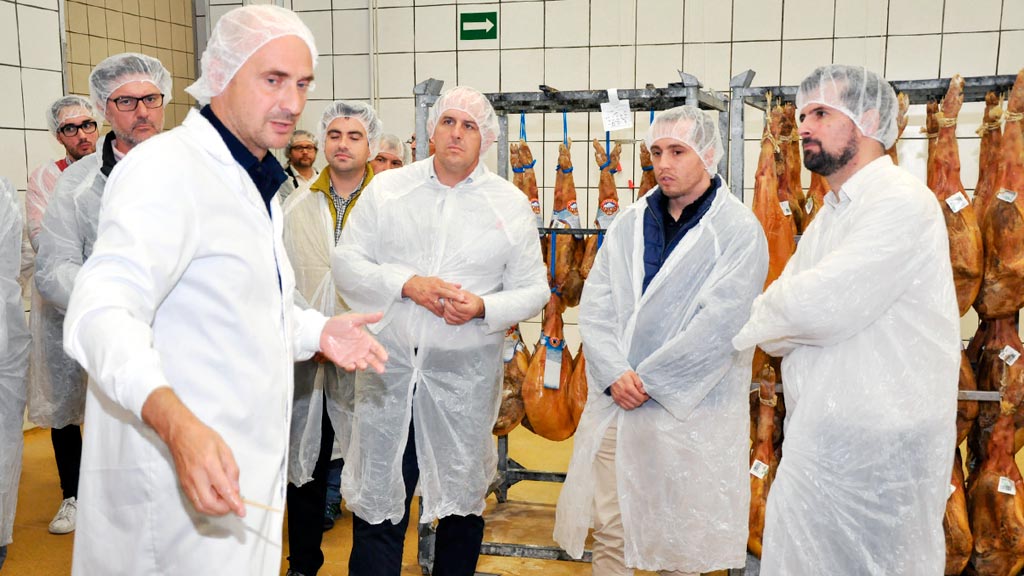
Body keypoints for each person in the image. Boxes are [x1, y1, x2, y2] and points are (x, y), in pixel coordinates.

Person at [60, 6, 388, 574]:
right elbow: (100, 310)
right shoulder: (168, 169)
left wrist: (318, 330)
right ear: (222, 76)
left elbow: (250, 306)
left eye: (302, 83)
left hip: (238, 480)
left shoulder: (254, 180)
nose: (292, 102)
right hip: (171, 490)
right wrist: (176, 422)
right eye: (273, 79)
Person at [732, 64, 960, 575]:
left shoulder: (901, 203)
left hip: (879, 455)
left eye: (820, 113)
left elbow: (813, 306)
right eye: (802, 113)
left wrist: (767, 318)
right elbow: (790, 306)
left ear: (869, 119)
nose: (803, 125)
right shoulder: (833, 213)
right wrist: (777, 316)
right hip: (821, 442)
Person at [333, 86, 549, 576]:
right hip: (389, 374)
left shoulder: (509, 205)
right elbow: (346, 264)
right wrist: (406, 284)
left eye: (469, 126)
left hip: (462, 379)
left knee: (460, 504)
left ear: (485, 140)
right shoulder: (389, 191)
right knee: (379, 502)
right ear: (431, 132)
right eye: (449, 122)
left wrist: (482, 307)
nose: (457, 133)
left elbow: (534, 289)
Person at [552, 106, 768, 576]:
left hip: (691, 414)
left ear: (708, 155)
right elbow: (598, 304)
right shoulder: (629, 222)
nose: (663, 162)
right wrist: (614, 374)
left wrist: (649, 381)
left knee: (680, 544)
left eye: (677, 151)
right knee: (612, 532)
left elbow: (722, 325)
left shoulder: (737, 230)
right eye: (656, 151)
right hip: (619, 406)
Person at [32, 54, 171, 536]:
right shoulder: (77, 183)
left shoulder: (193, 171)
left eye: (150, 98)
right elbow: (54, 267)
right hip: (112, 348)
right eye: (126, 101)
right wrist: (116, 305)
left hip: (185, 346)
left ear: (164, 100)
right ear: (104, 108)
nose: (142, 111)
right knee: (120, 490)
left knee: (181, 482)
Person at [282, 99, 382, 576]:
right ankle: (303, 563)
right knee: (307, 465)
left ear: (370, 145)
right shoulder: (296, 204)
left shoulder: (389, 203)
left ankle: (367, 564)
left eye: (354, 136)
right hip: (312, 356)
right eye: (335, 135)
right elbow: (282, 280)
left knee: (372, 465)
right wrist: (311, 335)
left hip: (373, 356)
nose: (343, 144)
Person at [22, 95, 100, 534]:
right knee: (64, 405)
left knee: (117, 399)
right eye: (71, 128)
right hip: (61, 312)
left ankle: (112, 492)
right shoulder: (44, 179)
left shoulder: (115, 170)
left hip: (113, 306)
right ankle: (72, 496)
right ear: (59, 136)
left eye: (88, 124)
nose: (82, 134)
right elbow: (43, 240)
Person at [0, 176, 30, 570]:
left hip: (8, 332)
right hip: (7, 322)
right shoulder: (4, 191)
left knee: (7, 438)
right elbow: (23, 256)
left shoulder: (5, 191)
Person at [279, 129, 318, 201]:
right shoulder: (280, 180)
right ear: (289, 153)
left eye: (309, 147)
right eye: (299, 148)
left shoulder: (324, 177)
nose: (305, 152)